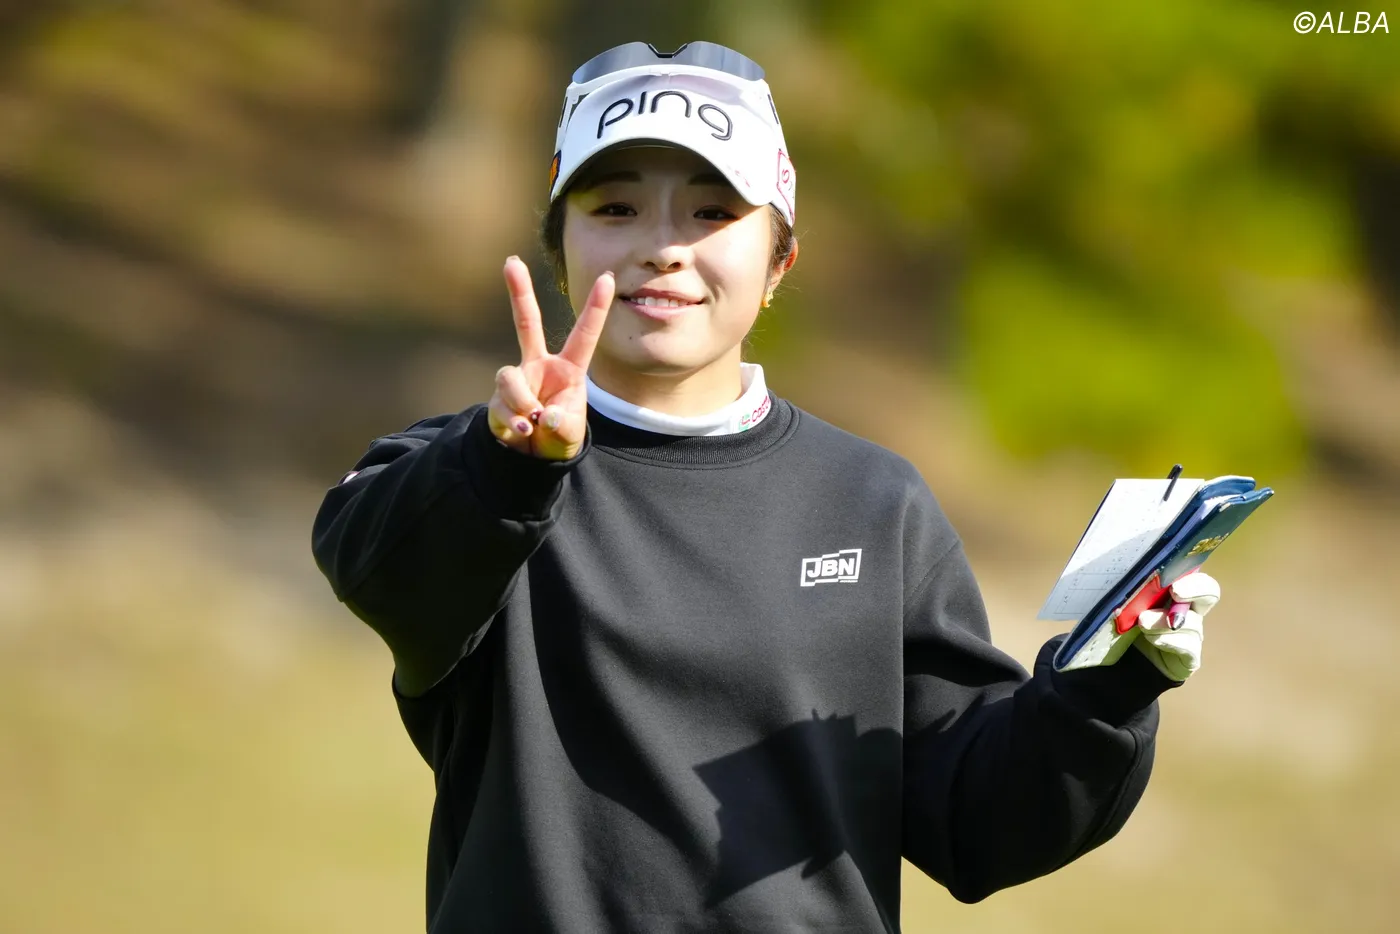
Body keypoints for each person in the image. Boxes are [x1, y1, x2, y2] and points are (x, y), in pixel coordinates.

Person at [311, 40, 1221, 933]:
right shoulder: (474, 473)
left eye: (712, 213)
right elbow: (380, 571)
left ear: (780, 261)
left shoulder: (874, 503)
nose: (662, 248)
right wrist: (510, 464)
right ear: (560, 250)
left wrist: (1103, 688)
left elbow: (975, 821)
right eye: (617, 208)